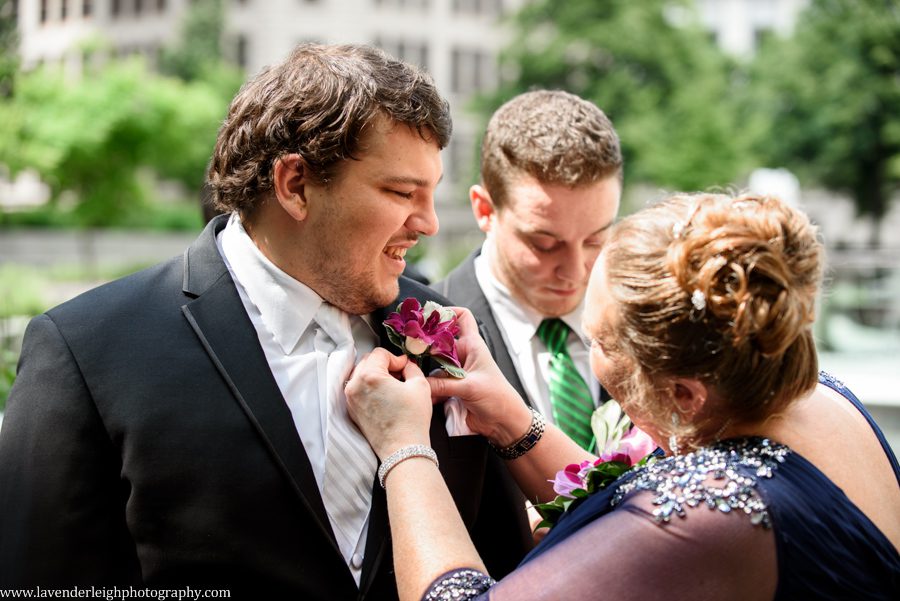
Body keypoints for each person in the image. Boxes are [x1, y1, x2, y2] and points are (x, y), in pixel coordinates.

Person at [0, 43, 532, 597]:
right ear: (295, 185)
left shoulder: (446, 331)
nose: (427, 224)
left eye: (431, 194)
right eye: (401, 192)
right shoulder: (85, 349)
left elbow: (508, 566)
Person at [347, 192, 900, 600]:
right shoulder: (814, 396)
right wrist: (512, 420)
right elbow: (630, 498)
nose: (589, 349)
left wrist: (402, 448)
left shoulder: (709, 514)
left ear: (683, 395)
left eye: (600, 341)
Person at [433, 90, 622, 452]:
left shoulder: (646, 327)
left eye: (596, 239)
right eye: (544, 244)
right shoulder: (427, 338)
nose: (574, 270)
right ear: (485, 210)